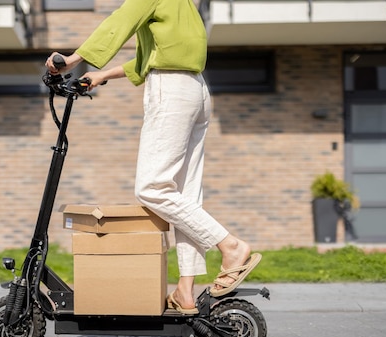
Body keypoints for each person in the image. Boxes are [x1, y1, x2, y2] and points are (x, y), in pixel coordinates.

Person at [46, 0, 261, 314]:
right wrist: (103, 74)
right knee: (185, 196)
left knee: (151, 188)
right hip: (195, 91)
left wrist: (71, 60)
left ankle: (231, 246)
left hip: (171, 90)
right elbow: (161, 53)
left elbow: (121, 20)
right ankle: (186, 290)